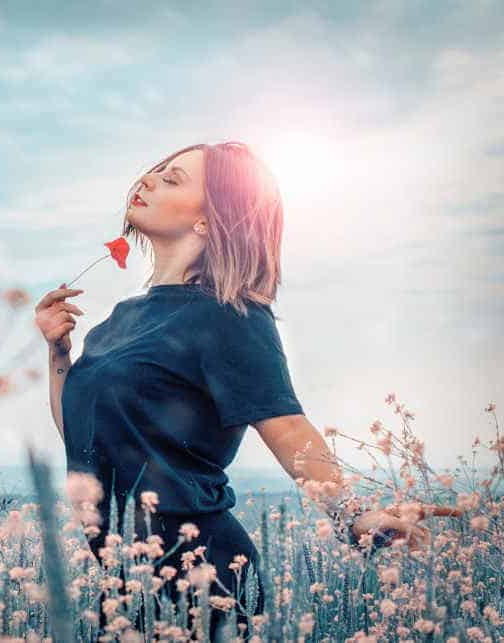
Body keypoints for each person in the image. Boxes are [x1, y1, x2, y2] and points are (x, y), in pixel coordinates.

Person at [34, 141, 462, 641]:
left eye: (172, 179)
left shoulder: (230, 314)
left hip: (203, 576)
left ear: (209, 221)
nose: (146, 181)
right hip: (124, 578)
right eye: (154, 172)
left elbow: (285, 424)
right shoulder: (120, 320)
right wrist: (59, 355)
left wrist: (351, 513)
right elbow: (82, 437)